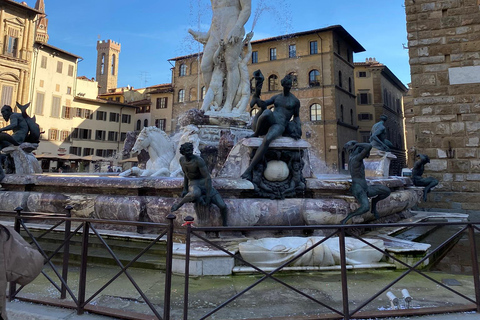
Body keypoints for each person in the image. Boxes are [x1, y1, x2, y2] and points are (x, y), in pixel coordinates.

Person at [189, 0, 251, 113]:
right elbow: (217, 14)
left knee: (231, 65)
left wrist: (238, 27)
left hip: (233, 26)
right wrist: (207, 35)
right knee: (205, 66)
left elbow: (246, 9)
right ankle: (213, 103)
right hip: (215, 32)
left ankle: (228, 104)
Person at [241, 72, 301, 180]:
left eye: (290, 85)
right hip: (273, 118)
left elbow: (296, 116)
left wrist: (298, 127)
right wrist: (257, 93)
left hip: (280, 124)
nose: (288, 87)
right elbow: (264, 104)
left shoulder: (295, 101)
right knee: (267, 112)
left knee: (267, 139)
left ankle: (249, 169)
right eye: (286, 85)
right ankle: (256, 133)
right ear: (283, 85)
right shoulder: (277, 97)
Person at [171, 142, 228, 226]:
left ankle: (225, 225)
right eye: (187, 151)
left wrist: (208, 196)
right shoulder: (182, 160)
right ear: (183, 152)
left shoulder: (198, 160)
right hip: (194, 184)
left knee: (223, 206)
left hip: (205, 185)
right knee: (195, 194)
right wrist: (185, 189)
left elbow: (207, 178)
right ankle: (178, 204)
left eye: (191, 150)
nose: (190, 152)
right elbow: (186, 175)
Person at [341, 141, 391, 224]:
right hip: (358, 187)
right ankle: (347, 218)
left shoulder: (355, 157)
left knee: (386, 191)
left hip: (365, 187)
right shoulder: (356, 158)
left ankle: (374, 202)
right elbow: (368, 146)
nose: (367, 154)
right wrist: (357, 144)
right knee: (365, 207)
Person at [200, 40, 226, 112]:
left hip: (219, 89)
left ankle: (211, 113)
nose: (221, 59)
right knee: (204, 106)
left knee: (218, 107)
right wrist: (220, 47)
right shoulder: (217, 65)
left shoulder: (226, 69)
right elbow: (215, 57)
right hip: (212, 87)